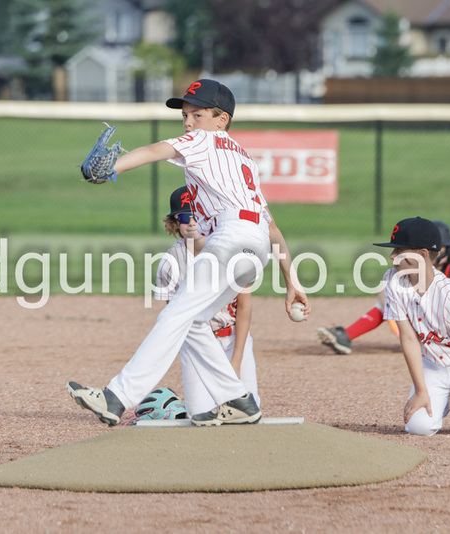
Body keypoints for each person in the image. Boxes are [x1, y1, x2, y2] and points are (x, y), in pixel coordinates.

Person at [67, 79, 308, 427]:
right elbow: (271, 229)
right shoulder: (244, 158)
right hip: (252, 244)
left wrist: (112, 168)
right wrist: (292, 281)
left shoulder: (203, 140)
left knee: (174, 314)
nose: (189, 122)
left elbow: (153, 151)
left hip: (230, 237)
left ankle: (117, 397)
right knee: (194, 320)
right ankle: (237, 400)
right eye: (185, 115)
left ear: (221, 119)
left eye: (197, 113)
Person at [375, 217, 450, 435]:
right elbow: (408, 338)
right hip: (433, 364)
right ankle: (438, 399)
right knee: (418, 427)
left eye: (399, 251)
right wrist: (421, 391)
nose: (392, 257)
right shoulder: (393, 280)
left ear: (421, 255)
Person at [154, 185, 259, 415]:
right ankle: (176, 408)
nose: (191, 223)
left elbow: (244, 307)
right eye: (183, 217)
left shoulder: (232, 251)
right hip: (197, 345)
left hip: (233, 338)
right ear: (174, 223)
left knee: (249, 411)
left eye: (196, 216)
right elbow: (174, 318)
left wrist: (236, 359)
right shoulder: (170, 262)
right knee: (199, 414)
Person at [317, 219, 450, 354]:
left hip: (437, 319)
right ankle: (346, 336)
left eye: (442, 249)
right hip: (414, 315)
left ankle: (432, 341)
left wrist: (446, 295)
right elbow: (384, 289)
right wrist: (387, 305)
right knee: (384, 306)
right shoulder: (407, 269)